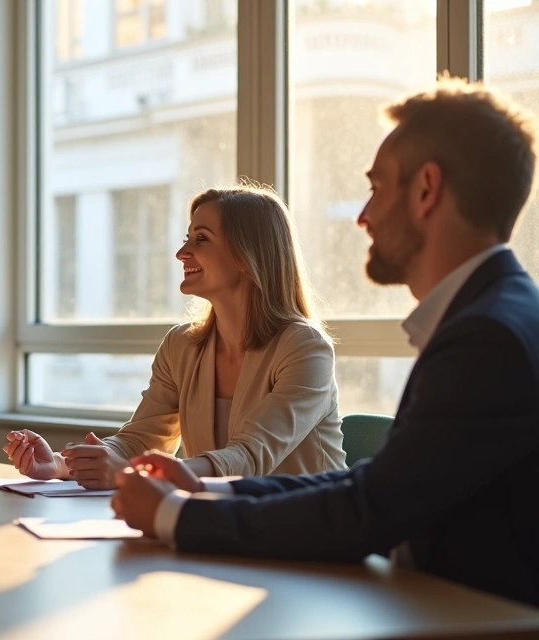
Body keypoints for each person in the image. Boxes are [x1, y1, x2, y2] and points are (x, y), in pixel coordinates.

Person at [111, 77, 539, 607]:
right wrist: (205, 488)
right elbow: (369, 487)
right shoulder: (493, 316)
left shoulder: (487, 338)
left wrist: (174, 513)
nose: (364, 216)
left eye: (377, 188)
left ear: (427, 190)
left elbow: (367, 511)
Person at [3, 185, 346, 489]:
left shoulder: (305, 347)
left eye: (201, 239)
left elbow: (250, 457)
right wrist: (62, 465)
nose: (182, 253)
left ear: (247, 256)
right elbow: (139, 441)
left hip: (306, 539)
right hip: (224, 529)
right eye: (187, 239)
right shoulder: (182, 345)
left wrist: (132, 474)